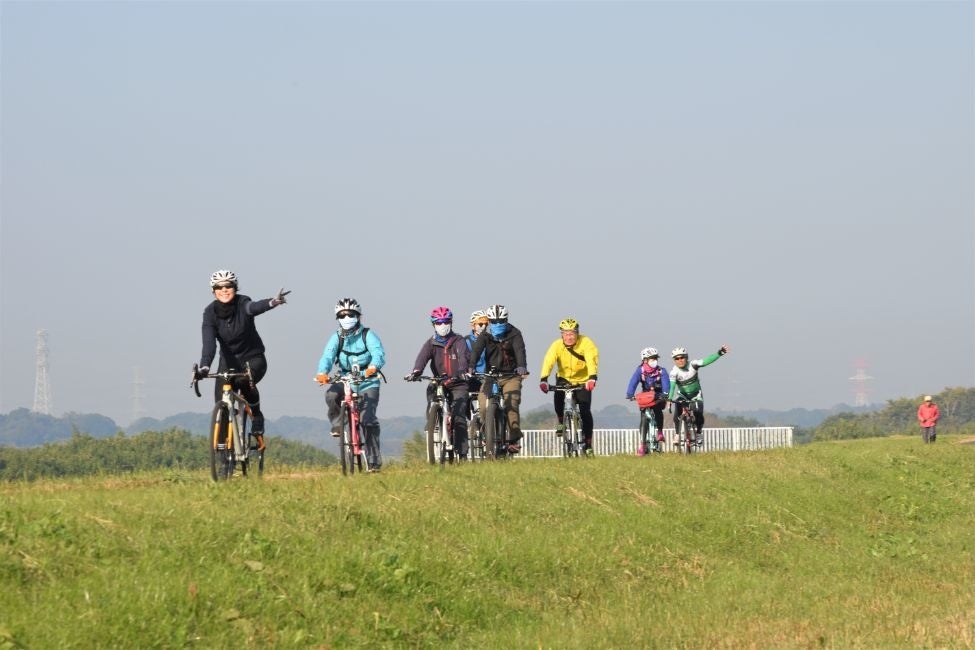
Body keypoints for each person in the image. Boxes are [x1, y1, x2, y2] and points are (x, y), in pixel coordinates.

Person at [196, 270, 290, 446]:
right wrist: (204, 367)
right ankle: (223, 456)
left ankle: (257, 415)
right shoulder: (209, 313)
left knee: (243, 381)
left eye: (229, 286)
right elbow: (209, 344)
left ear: (235, 288)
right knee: (220, 404)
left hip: (253, 359)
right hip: (228, 363)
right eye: (219, 287)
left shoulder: (242, 302)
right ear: (213, 290)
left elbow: (253, 308)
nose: (224, 290)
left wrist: (271, 302)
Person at [315, 298, 386, 471]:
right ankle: (338, 424)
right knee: (331, 395)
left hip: (367, 381)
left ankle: (373, 461)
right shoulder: (337, 337)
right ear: (338, 318)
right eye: (343, 315)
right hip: (346, 379)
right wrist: (322, 373)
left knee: (367, 420)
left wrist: (373, 367)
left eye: (351, 314)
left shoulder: (367, 334)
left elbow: (378, 352)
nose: (347, 318)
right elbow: (328, 356)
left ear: (358, 316)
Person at [405, 307, 472, 459]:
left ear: (451, 323)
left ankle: (462, 452)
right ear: (433, 324)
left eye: (446, 322)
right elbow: (422, 358)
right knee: (431, 391)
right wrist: (416, 371)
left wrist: (462, 370)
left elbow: (463, 357)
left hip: (458, 382)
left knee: (459, 415)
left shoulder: (459, 340)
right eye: (439, 322)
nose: (443, 325)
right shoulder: (431, 343)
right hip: (439, 381)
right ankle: (433, 418)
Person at [466, 304, 529, 458]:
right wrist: (471, 367)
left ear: (506, 320)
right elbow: (476, 351)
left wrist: (521, 367)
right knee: (482, 403)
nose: (497, 324)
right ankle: (485, 431)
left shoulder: (514, 333)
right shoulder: (485, 336)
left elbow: (520, 351)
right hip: (491, 376)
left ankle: (513, 439)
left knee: (511, 403)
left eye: (501, 321)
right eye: (494, 321)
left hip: (511, 376)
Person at [538, 318, 599, 454]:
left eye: (572, 333)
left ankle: (588, 444)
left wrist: (592, 378)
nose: (569, 337)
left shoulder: (586, 343)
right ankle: (561, 420)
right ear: (561, 335)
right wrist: (544, 379)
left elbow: (591, 360)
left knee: (585, 411)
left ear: (577, 333)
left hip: (583, 380)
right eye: (566, 334)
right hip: (564, 378)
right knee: (558, 399)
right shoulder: (556, 345)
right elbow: (549, 360)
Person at [667, 344, 729, 446]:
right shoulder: (674, 372)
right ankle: (678, 434)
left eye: (682, 357)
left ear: (686, 357)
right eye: (676, 358)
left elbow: (706, 361)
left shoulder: (693, 364)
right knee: (677, 414)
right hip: (682, 395)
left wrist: (719, 353)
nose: (680, 360)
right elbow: (672, 387)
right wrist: (669, 400)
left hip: (696, 395)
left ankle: (699, 433)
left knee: (698, 414)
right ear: (674, 360)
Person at [625, 347, 671, 455]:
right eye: (652, 358)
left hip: (659, 396)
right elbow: (633, 382)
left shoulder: (661, 371)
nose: (654, 360)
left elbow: (666, 384)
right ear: (645, 360)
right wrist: (630, 394)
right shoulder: (640, 370)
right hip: (646, 397)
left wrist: (665, 394)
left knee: (658, 411)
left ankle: (659, 432)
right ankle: (642, 445)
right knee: (643, 419)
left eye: (656, 358)